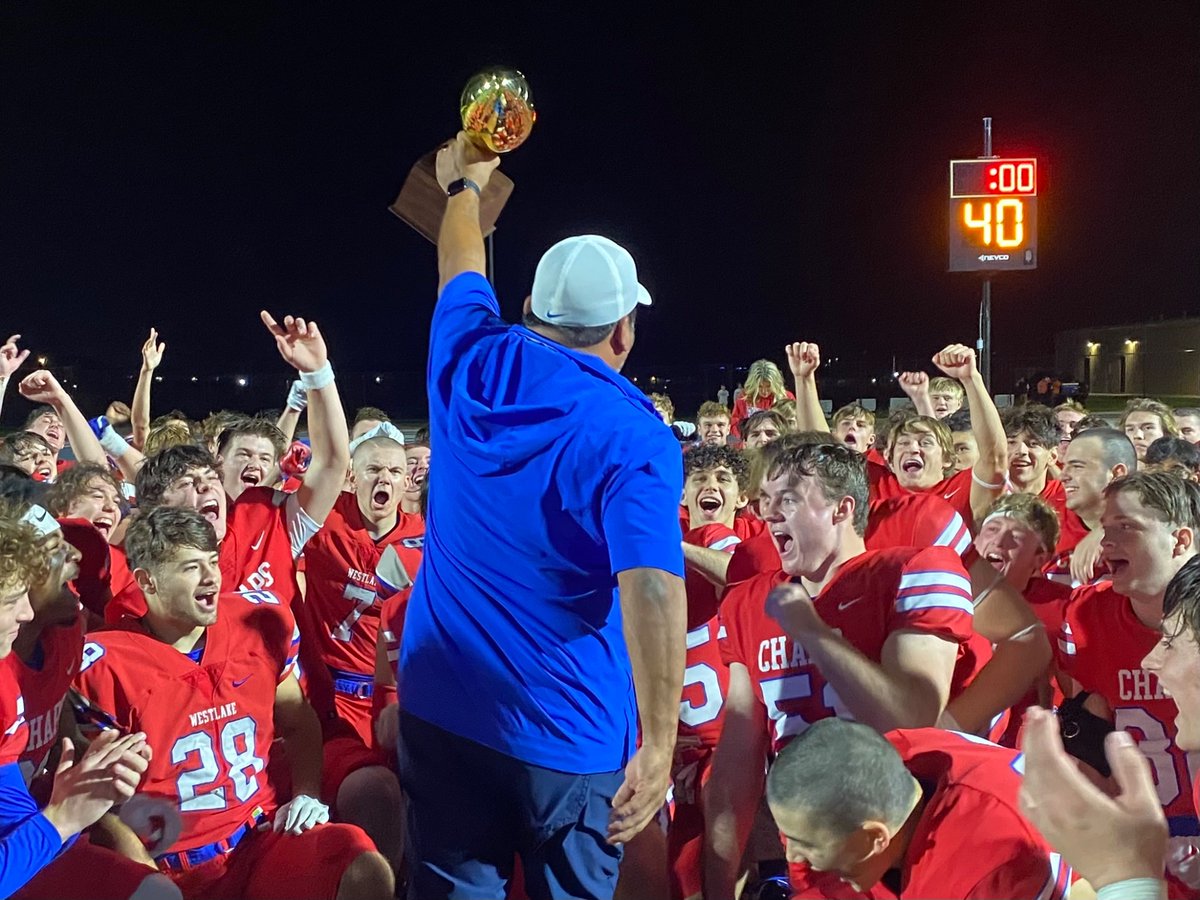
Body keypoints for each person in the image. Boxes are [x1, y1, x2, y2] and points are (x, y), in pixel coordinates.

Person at [397, 131, 686, 900]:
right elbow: (652, 587)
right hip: (567, 727)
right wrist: (659, 742)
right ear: (625, 330)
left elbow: (460, 261)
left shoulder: (468, 353)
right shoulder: (636, 434)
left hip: (441, 702)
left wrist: (463, 184)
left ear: (529, 309)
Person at [74, 506, 391, 899]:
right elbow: (96, 802)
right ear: (147, 581)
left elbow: (297, 721)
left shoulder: (252, 624)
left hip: (257, 839)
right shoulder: (103, 665)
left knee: (360, 861)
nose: (211, 577)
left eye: (212, 561)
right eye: (191, 567)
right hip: (173, 866)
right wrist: (144, 874)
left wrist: (306, 792)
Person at [702, 441, 975, 897]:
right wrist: (717, 886)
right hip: (814, 857)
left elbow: (913, 718)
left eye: (788, 499)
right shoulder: (748, 603)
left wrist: (814, 632)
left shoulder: (915, 570)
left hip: (908, 851)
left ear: (842, 508)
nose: (769, 514)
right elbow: (736, 763)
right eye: (764, 500)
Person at [0, 510, 153, 898]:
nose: (25, 612)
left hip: (26, 827)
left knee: (153, 890)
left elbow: (17, 800)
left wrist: (86, 783)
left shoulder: (61, 636)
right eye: (11, 599)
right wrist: (63, 820)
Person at [1056, 472, 1200, 880]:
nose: (1106, 543)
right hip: (1145, 835)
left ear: (1180, 540)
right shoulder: (1087, 613)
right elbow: (1090, 724)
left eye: (1127, 527)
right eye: (1105, 529)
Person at [768, 718, 1073, 898]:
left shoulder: (997, 858)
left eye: (805, 844)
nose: (792, 854)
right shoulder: (870, 772)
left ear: (874, 837)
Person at [1045, 427, 1137, 587]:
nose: (1063, 476)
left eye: (1077, 466)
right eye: (1065, 465)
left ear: (1117, 474)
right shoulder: (1046, 519)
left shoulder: (1153, 527)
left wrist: (1108, 530)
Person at [730, 360, 793, 440]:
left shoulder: (786, 397)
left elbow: (795, 423)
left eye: (768, 386)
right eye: (760, 386)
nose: (764, 391)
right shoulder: (744, 398)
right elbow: (735, 424)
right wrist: (743, 442)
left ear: (775, 384)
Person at [1120, 398, 1180, 465]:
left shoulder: (1182, 472)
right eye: (1130, 429)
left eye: (1148, 428)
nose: (1137, 435)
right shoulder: (1114, 472)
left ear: (1167, 433)